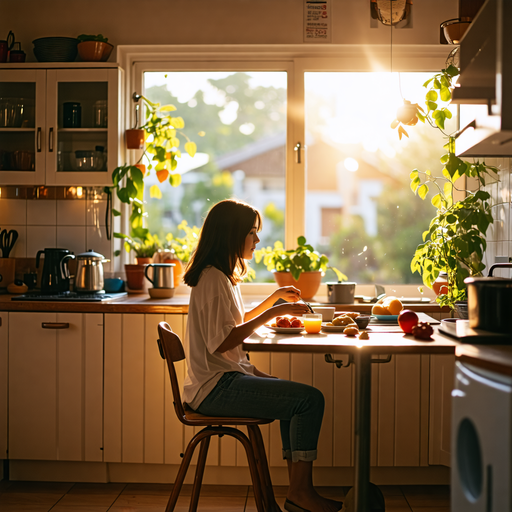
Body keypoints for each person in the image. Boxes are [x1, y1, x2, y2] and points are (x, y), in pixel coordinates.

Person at [182, 199, 342, 512]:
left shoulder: (221, 276)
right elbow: (224, 340)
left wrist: (273, 300)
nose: (257, 240)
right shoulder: (214, 279)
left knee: (295, 399)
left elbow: (233, 323)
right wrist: (275, 312)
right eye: (252, 233)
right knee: (309, 400)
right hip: (215, 389)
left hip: (220, 381)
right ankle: (301, 493)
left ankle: (299, 491)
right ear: (232, 234)